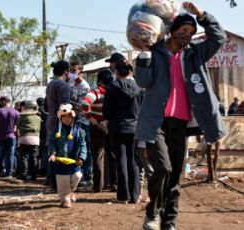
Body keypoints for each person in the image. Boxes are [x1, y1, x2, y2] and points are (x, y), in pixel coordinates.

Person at [134, 2, 226, 229]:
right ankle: (152, 214)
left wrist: (201, 15)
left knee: (175, 176)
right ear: (173, 30)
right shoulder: (154, 52)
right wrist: (144, 56)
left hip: (182, 123)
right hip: (157, 122)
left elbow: (219, 38)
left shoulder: (195, 54)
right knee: (163, 168)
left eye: (191, 33)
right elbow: (143, 82)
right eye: (183, 31)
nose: (187, 36)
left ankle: (169, 222)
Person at [103, 60, 142, 204]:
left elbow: (106, 111)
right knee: (134, 161)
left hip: (117, 127)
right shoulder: (138, 87)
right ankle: (135, 195)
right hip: (135, 127)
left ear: (116, 72)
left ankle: (123, 196)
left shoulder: (112, 87)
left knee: (121, 160)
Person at [80, 70, 114, 193]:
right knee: (112, 155)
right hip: (111, 125)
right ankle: (113, 184)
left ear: (99, 80)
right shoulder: (113, 91)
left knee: (98, 156)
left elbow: (85, 103)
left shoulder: (96, 91)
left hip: (98, 125)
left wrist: (91, 118)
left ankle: (98, 186)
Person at [48, 103, 87, 208]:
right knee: (63, 180)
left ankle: (71, 191)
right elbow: (51, 142)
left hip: (74, 161)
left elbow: (83, 145)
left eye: (69, 116)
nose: (66, 119)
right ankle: (65, 198)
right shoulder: (55, 131)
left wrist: (82, 157)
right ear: (60, 117)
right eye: (64, 117)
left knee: (77, 176)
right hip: (60, 160)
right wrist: (52, 153)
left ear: (73, 116)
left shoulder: (79, 131)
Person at [45, 60, 72, 187]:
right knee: (62, 149)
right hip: (60, 119)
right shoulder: (64, 86)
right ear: (66, 72)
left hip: (51, 119)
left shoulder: (50, 84)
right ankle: (59, 180)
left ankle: (51, 178)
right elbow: (65, 106)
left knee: (52, 147)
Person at [69, 61, 92, 186]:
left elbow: (84, 106)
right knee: (75, 148)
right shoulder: (72, 84)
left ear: (80, 71)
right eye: (70, 70)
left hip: (83, 121)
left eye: (74, 70)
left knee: (85, 149)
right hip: (73, 121)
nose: (72, 73)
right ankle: (78, 172)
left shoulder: (84, 86)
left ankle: (87, 175)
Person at [0, 96, 19, 178]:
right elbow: (17, 127)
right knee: (10, 155)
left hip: (1, 137)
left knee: (0, 156)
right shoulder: (16, 112)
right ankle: (9, 173)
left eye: (0, 102)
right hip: (12, 136)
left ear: (4, 101)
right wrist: (18, 137)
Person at [16, 100, 41, 180]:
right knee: (34, 157)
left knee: (23, 157)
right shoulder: (38, 117)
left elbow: (17, 128)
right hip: (35, 139)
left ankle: (24, 174)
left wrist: (18, 138)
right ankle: (34, 175)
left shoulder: (22, 117)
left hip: (24, 138)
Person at [36, 97, 49, 175]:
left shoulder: (38, 110)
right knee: (45, 151)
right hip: (45, 132)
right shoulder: (46, 110)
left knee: (39, 152)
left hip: (40, 133)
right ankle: (44, 168)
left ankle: (40, 168)